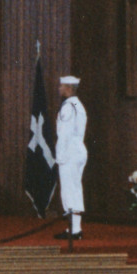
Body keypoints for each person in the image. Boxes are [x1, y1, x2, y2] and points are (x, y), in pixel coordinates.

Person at [54, 75, 87, 240]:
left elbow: (64, 135)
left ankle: (74, 230)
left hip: (70, 152)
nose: (59, 89)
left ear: (68, 88)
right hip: (78, 150)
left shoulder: (68, 107)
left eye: (62, 86)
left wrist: (60, 155)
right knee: (74, 188)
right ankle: (75, 227)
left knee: (69, 190)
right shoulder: (78, 106)